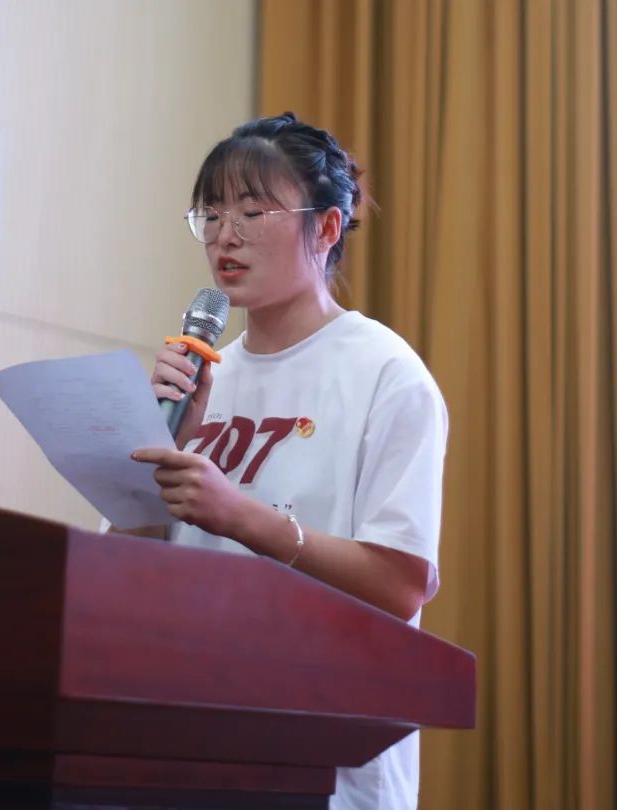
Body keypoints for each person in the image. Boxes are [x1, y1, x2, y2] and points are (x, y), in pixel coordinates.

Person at [130, 112, 448, 810]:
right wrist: (160, 443)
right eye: (211, 213)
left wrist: (241, 516)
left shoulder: (385, 375)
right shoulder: (199, 376)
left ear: (327, 228)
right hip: (190, 748)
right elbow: (126, 568)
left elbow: (401, 584)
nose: (225, 235)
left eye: (253, 211)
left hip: (328, 766)